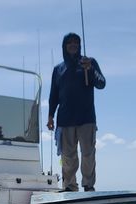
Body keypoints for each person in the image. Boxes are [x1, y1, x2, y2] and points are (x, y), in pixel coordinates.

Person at [47, 32, 106, 192]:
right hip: (65, 119)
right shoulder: (58, 69)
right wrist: (50, 116)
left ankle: (88, 185)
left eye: (76, 42)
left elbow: (102, 83)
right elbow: (53, 95)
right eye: (69, 42)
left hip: (87, 118)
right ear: (64, 46)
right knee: (68, 156)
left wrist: (91, 69)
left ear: (80, 45)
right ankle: (69, 186)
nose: (73, 45)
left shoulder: (89, 62)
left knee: (88, 153)